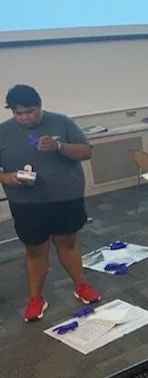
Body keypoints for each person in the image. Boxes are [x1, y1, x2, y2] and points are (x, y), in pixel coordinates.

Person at [0, 84, 100, 322]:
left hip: (65, 196)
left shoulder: (61, 122)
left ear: (40, 106)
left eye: (30, 111)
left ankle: (81, 285)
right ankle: (36, 298)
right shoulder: (3, 131)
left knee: (67, 242)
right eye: (18, 113)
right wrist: (6, 178)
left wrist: (59, 146)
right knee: (35, 249)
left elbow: (86, 152)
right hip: (26, 202)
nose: (24, 117)